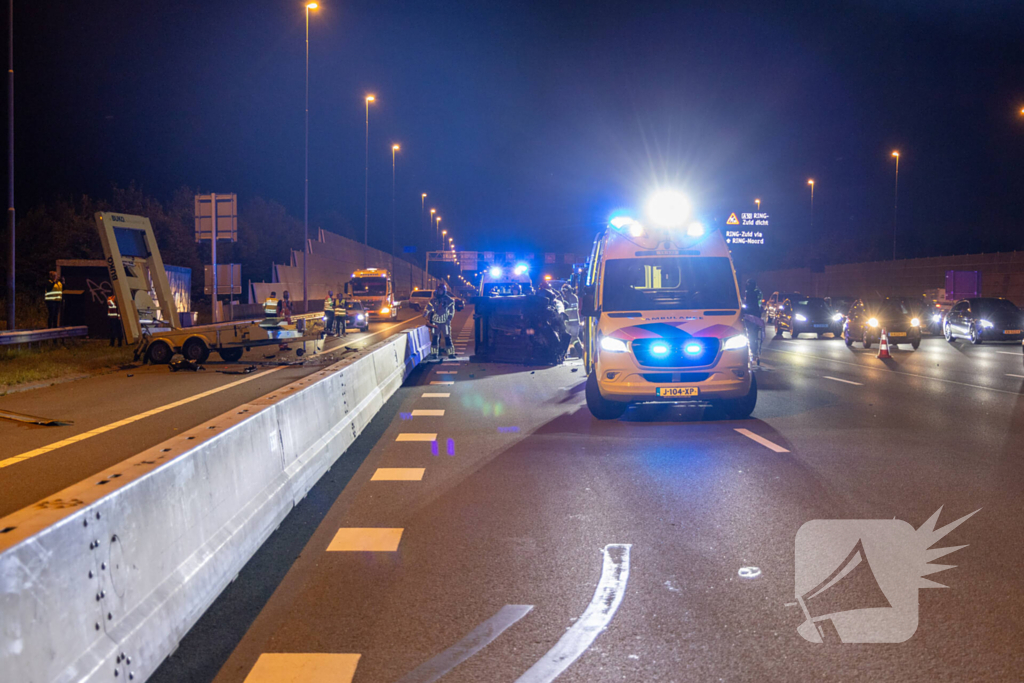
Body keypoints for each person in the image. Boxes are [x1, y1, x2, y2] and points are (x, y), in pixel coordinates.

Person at [424, 283, 456, 359]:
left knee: (447, 338)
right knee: (435, 338)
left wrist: (449, 318)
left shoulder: (448, 299)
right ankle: (434, 353)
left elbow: (452, 309)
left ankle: (451, 353)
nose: (440, 291)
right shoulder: (434, 300)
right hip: (435, 322)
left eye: (441, 290)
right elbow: (428, 307)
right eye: (439, 290)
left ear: (444, 291)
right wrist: (425, 312)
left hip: (445, 322)